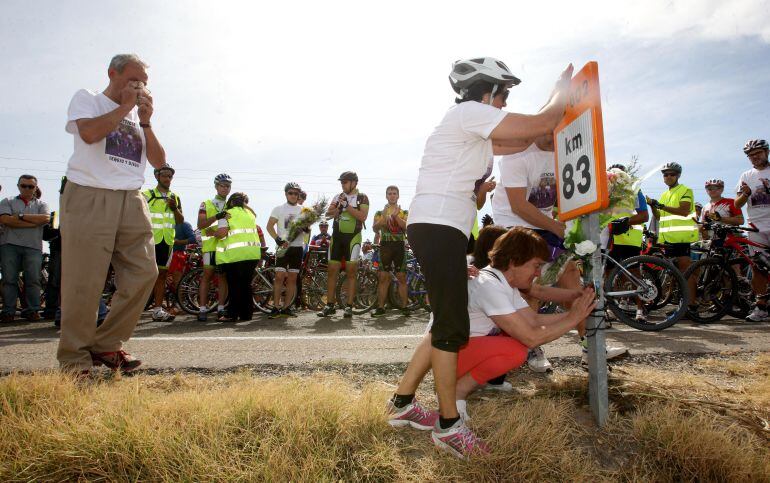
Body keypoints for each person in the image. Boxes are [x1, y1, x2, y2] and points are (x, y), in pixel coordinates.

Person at [390, 56, 574, 457]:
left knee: (443, 321)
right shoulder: (468, 113)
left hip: (447, 229)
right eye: (504, 94)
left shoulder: (475, 130)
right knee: (450, 330)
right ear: (486, 91)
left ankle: (402, 405)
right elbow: (540, 124)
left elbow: (524, 139)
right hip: (438, 225)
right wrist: (563, 89)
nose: (506, 102)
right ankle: (448, 426)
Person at [58, 53, 165, 373]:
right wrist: (124, 108)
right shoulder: (88, 99)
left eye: (143, 82)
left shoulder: (136, 117)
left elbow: (160, 163)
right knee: (84, 282)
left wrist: (145, 121)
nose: (139, 85)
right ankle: (74, 359)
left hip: (132, 198)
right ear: (112, 73)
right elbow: (89, 134)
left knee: (145, 273)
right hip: (90, 193)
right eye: (133, 79)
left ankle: (106, 344)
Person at [491, 137, 628, 370]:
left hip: (546, 225)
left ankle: (590, 347)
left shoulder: (565, 154)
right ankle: (532, 349)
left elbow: (568, 197)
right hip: (514, 225)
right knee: (530, 287)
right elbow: (519, 205)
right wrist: (556, 227)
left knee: (572, 278)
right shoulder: (518, 153)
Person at [647, 162, 699, 314]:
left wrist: (661, 206)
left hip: (682, 237)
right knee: (676, 275)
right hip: (668, 239)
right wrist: (653, 206)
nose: (668, 176)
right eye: (665, 174)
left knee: (686, 273)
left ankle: (691, 306)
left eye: (672, 174)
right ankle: (682, 306)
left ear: (678, 176)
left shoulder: (685, 190)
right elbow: (659, 217)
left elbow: (683, 211)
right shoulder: (665, 194)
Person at [317, 171, 369, 318]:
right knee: (332, 271)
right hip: (337, 238)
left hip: (353, 238)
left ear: (354, 183)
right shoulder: (337, 196)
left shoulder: (362, 197)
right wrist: (339, 207)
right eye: (341, 182)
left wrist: (347, 206)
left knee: (351, 272)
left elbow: (362, 216)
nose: (343, 184)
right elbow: (328, 214)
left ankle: (349, 306)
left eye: (345, 182)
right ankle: (330, 305)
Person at [0, 175, 50, 322]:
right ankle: (8, 311)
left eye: (31, 186)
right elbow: (4, 220)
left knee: (33, 279)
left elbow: (46, 219)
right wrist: (33, 223)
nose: (27, 189)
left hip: (33, 246)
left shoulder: (42, 204)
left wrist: (19, 216)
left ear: (36, 187)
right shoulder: (7, 201)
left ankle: (32, 310)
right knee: (9, 279)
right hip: (9, 245)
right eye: (24, 186)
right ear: (18, 186)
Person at [605, 164, 650, 324]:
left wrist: (624, 222)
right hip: (609, 239)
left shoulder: (634, 190)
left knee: (634, 276)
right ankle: (611, 308)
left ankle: (640, 309)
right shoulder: (606, 190)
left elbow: (644, 216)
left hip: (629, 238)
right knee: (608, 276)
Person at [735, 139, 770, 322]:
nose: (754, 157)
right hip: (756, 226)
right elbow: (737, 204)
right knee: (758, 268)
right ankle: (761, 306)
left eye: (757, 153)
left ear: (766, 151)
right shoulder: (746, 175)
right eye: (750, 155)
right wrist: (745, 194)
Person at [143, 164, 183, 321]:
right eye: (164, 175)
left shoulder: (175, 197)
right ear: (157, 176)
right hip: (149, 240)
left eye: (170, 176)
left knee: (162, 275)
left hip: (167, 242)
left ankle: (158, 310)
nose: (167, 178)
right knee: (143, 275)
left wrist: (175, 208)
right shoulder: (147, 194)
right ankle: (132, 309)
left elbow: (180, 221)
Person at [214, 192, 261, 321]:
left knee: (234, 285)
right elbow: (254, 213)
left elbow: (222, 233)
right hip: (252, 254)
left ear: (231, 202)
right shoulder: (250, 214)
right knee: (246, 285)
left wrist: (212, 232)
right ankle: (246, 315)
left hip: (234, 255)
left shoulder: (226, 214)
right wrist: (244, 204)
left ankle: (232, 314)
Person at [266, 182, 305, 318]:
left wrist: (305, 229)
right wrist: (277, 239)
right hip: (283, 248)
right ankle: (276, 307)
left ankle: (287, 307)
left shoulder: (304, 210)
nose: (294, 195)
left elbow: (307, 229)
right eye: (291, 193)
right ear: (286, 194)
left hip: (297, 247)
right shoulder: (278, 209)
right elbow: (269, 226)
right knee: (279, 277)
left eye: (296, 193)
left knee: (292, 279)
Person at [197, 173, 231, 321]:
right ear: (216, 186)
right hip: (210, 246)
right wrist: (216, 217)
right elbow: (201, 225)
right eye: (222, 185)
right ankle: (202, 308)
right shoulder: (206, 203)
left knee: (223, 277)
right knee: (207, 276)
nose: (225, 188)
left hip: (225, 246)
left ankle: (221, 308)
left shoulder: (232, 205)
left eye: (227, 186)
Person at [371, 185, 409, 317]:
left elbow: (406, 227)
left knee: (401, 277)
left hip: (399, 245)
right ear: (386, 196)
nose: (392, 195)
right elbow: (375, 229)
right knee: (383, 277)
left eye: (394, 193)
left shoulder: (404, 211)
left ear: (398, 196)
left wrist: (396, 216)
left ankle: (404, 307)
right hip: (385, 245)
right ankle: (380, 307)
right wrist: (384, 217)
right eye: (389, 193)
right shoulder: (379, 212)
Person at [168, 220, 197, 292]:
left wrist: (178, 242)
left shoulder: (184, 224)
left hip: (178, 255)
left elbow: (193, 239)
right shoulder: (169, 223)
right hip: (167, 254)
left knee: (176, 283)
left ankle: (178, 300)